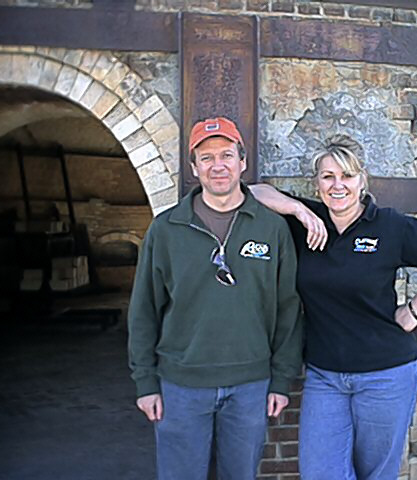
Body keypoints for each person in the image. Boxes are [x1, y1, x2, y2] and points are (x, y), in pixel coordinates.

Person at [249, 134, 417, 480]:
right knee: (320, 473)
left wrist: (415, 310)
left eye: (347, 176)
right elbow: (253, 192)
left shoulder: (390, 226)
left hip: (385, 375)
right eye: (328, 176)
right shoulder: (307, 222)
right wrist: (298, 209)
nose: (338, 185)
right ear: (317, 183)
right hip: (325, 375)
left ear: (362, 180)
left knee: (376, 474)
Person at [128, 117, 302, 480]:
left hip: (251, 385)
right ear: (194, 168)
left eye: (226, 155)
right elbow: (144, 310)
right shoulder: (166, 229)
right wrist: (145, 381)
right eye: (206, 158)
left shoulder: (272, 228)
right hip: (180, 385)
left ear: (243, 162)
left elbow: (289, 308)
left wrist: (281, 378)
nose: (217, 165)